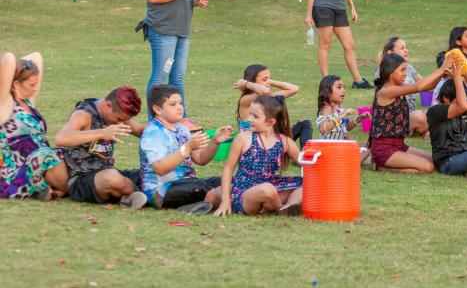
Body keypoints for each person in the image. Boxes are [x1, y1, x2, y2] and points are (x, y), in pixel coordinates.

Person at [139, 85, 233, 213]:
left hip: (188, 183)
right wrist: (187, 148)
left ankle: (207, 201)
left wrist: (215, 142)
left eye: (180, 103)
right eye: (173, 104)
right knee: (200, 187)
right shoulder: (153, 132)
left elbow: (200, 159)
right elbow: (160, 168)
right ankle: (209, 200)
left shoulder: (182, 128)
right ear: (158, 109)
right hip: (162, 192)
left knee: (228, 180)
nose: (179, 108)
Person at [55, 86, 147, 208]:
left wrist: (172, 131)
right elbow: (61, 138)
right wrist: (102, 133)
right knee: (112, 178)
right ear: (108, 105)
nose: (121, 123)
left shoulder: (116, 115)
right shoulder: (83, 114)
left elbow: (142, 131)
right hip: (82, 179)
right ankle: (143, 195)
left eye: (124, 121)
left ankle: (128, 196)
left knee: (148, 173)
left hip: (107, 170)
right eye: (119, 119)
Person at [215, 95, 302, 216]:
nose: (249, 119)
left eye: (255, 116)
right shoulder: (243, 138)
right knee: (267, 190)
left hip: (272, 186)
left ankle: (288, 207)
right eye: (250, 114)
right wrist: (225, 200)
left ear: (271, 122)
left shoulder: (284, 141)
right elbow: (228, 169)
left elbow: (305, 163)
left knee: (306, 185)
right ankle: (280, 209)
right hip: (245, 192)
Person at [0, 51, 68, 200]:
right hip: (19, 172)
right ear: (16, 84)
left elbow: (36, 56)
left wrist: (25, 69)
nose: (36, 88)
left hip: (43, 163)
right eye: (31, 84)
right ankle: (75, 189)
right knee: (46, 155)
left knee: (71, 151)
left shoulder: (29, 101)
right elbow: (9, 59)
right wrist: (13, 83)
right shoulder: (4, 103)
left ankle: (54, 188)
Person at [369, 54, 452, 173]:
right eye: (402, 69)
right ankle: (383, 166)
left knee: (436, 161)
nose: (406, 73)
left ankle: (387, 163)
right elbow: (419, 86)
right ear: (390, 72)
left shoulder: (399, 87)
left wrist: (442, 75)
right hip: (384, 150)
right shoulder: (387, 91)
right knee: (427, 168)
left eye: (406, 69)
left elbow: (427, 86)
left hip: (399, 146)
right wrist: (441, 69)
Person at [233, 64, 311, 148]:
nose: (268, 82)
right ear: (252, 82)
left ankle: (306, 154)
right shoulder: (246, 99)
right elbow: (264, 91)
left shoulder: (269, 96)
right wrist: (246, 84)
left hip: (271, 140)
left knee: (305, 124)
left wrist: (271, 81)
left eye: (269, 78)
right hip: (254, 146)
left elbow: (294, 88)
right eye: (264, 79)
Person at [377, 37, 429, 137]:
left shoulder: (408, 67)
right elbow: (419, 87)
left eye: (406, 47)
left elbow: (425, 84)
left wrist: (445, 80)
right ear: (390, 53)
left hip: (411, 112)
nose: (406, 50)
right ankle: (424, 131)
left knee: (435, 112)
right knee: (419, 116)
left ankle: (423, 129)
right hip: (396, 120)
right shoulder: (384, 74)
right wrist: (442, 70)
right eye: (402, 48)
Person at [317, 75, 368, 139]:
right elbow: (323, 129)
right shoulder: (326, 110)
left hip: (339, 146)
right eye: (339, 87)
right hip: (327, 147)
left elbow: (345, 128)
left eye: (343, 87)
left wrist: (359, 119)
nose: (344, 90)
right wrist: (342, 115)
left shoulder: (338, 109)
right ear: (327, 92)